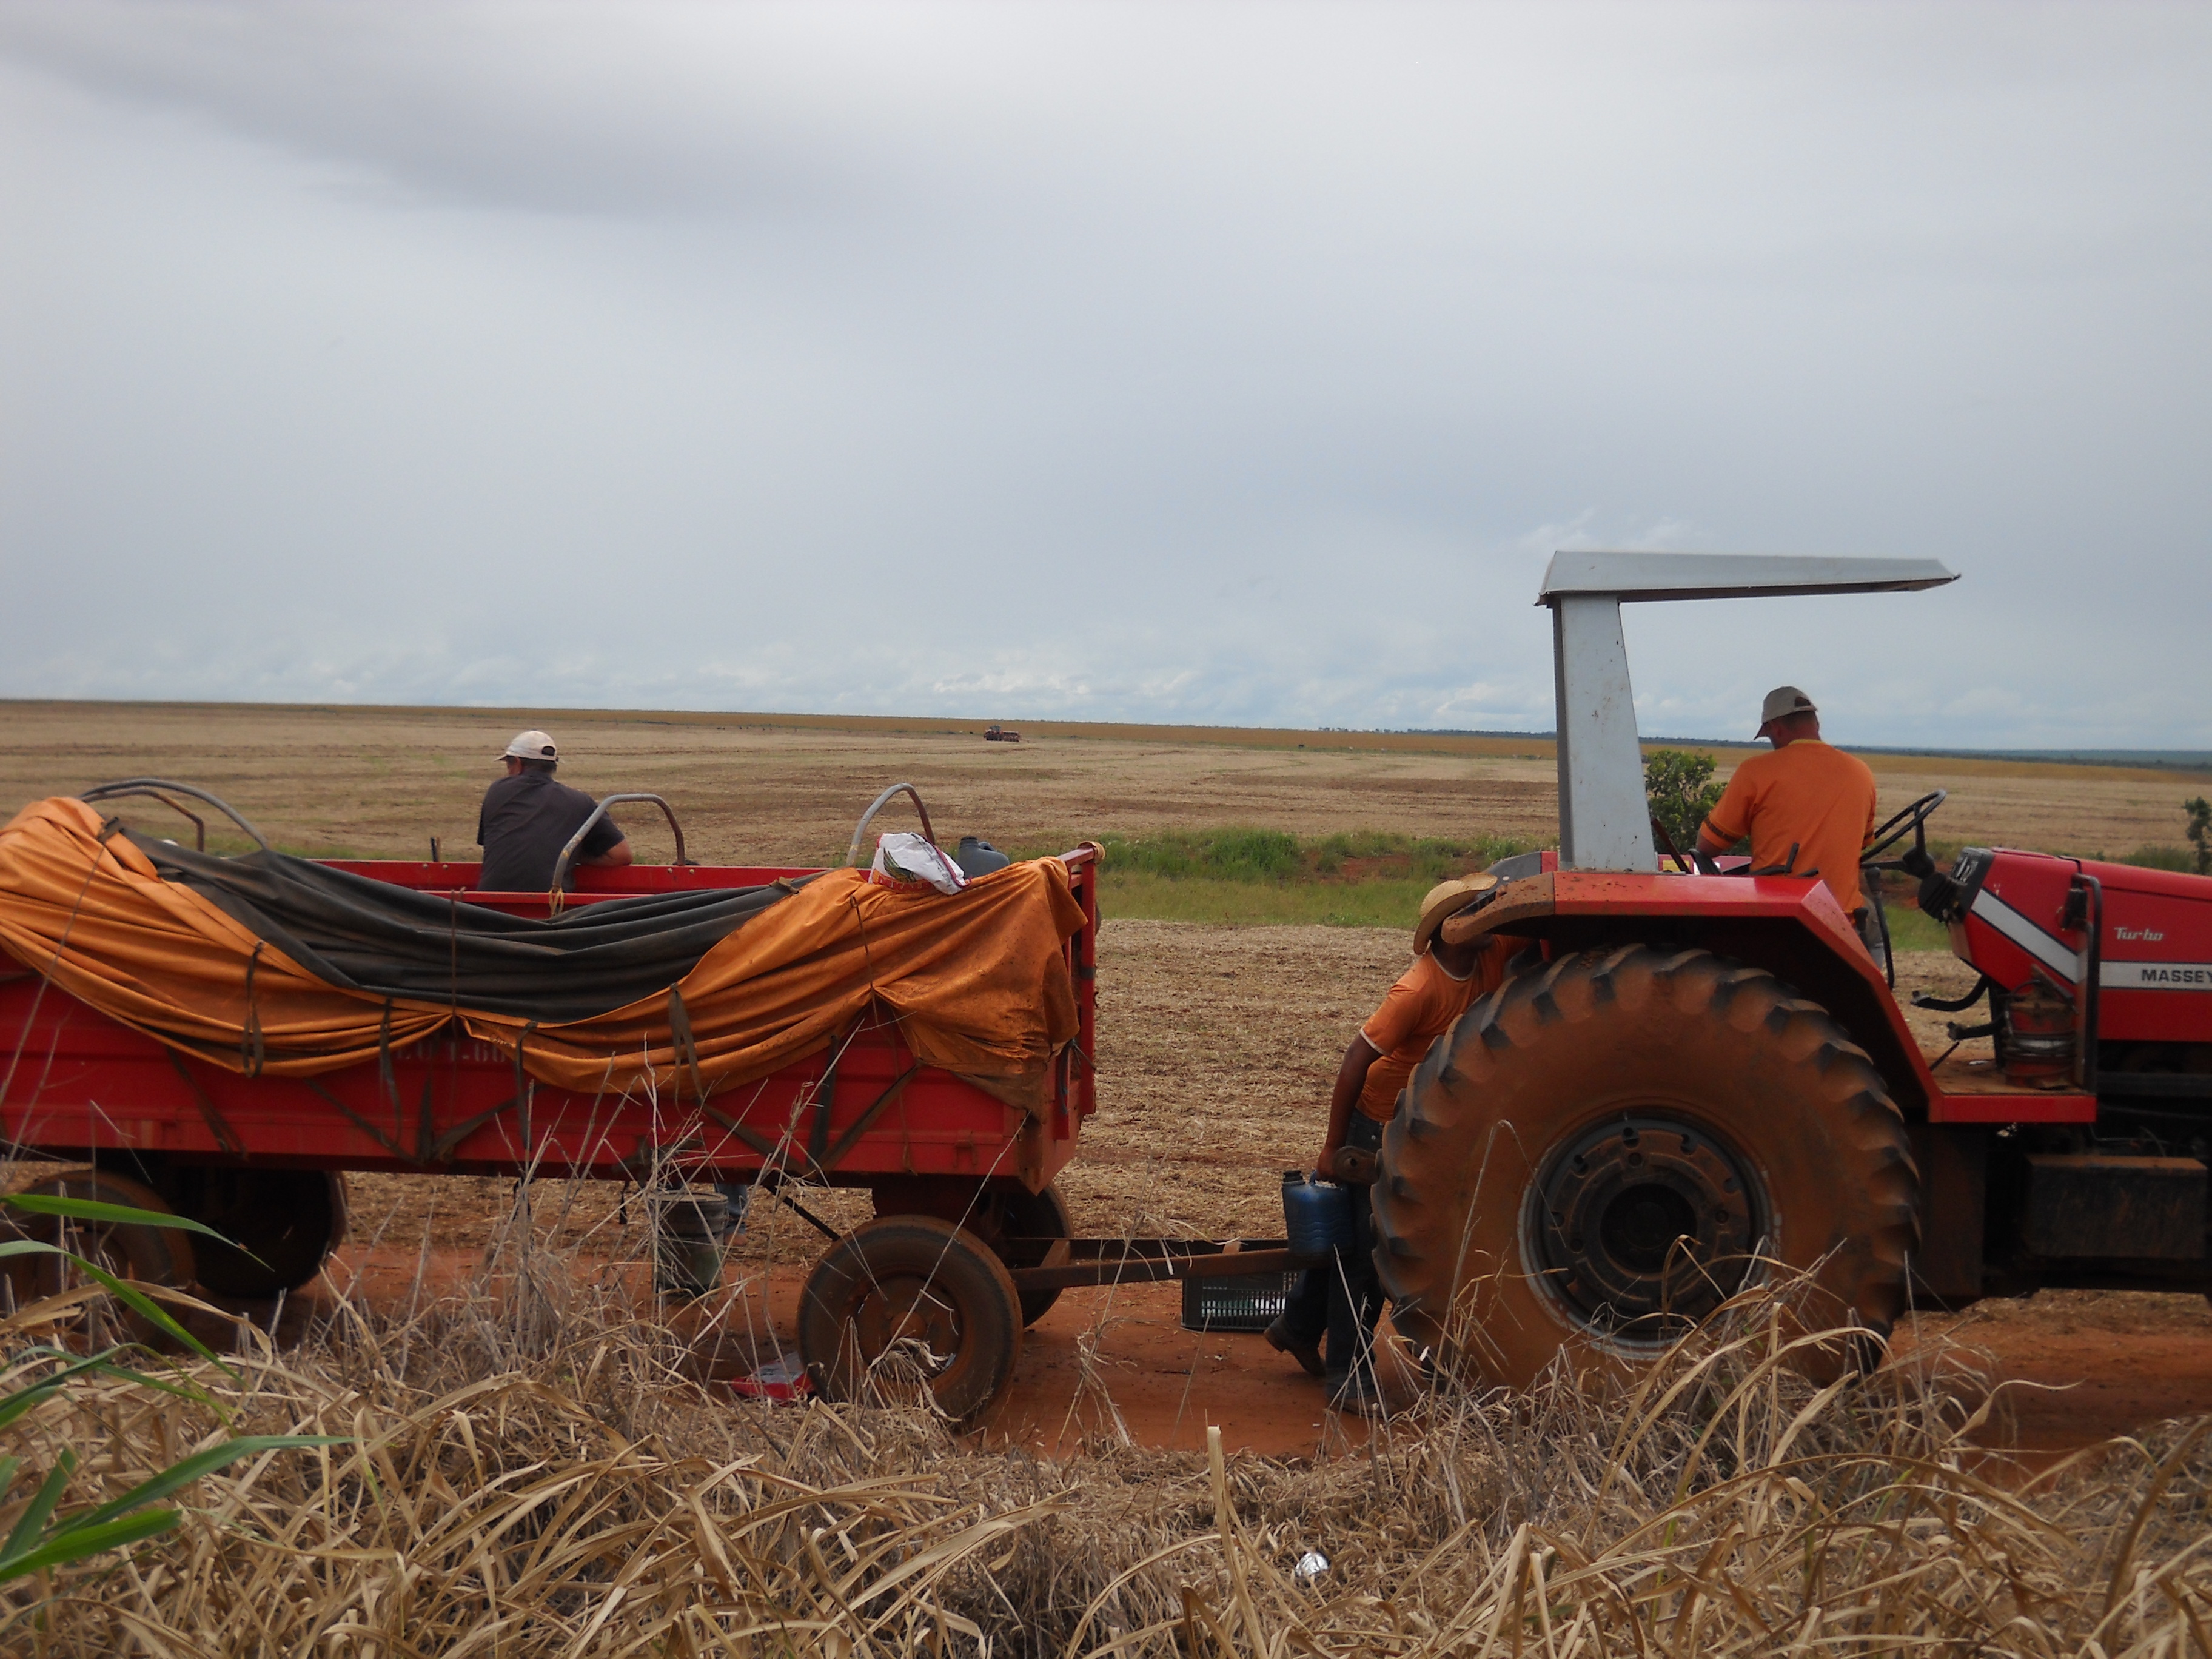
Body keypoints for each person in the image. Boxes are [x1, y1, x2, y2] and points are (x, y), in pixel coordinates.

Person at [1266, 875, 1529, 1416]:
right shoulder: (1418, 990)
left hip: (1426, 1129)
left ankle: (1296, 1326)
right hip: (1378, 1128)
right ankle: (1346, 1376)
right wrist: (1332, 1148)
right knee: (1367, 1257)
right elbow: (1354, 1064)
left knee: (1362, 1245)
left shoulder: (1489, 954)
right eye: (1474, 913)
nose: (1487, 922)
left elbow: (1530, 922)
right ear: (1452, 931)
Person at [1695, 685, 1881, 941]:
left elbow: (1707, 845)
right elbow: (1863, 841)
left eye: (1769, 734)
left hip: (1780, 918)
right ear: (1815, 723)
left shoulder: (1755, 772)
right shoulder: (1861, 772)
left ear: (1776, 728)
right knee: (1875, 927)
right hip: (1844, 920)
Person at [476, 729, 634, 892]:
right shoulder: (580, 802)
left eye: (508, 764)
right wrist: (567, 855)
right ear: (553, 766)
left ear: (517, 764)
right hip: (553, 905)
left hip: (492, 905)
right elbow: (621, 855)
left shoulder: (497, 791)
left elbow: (494, 843)